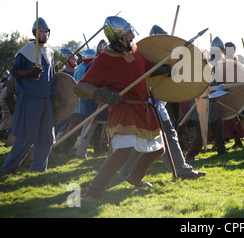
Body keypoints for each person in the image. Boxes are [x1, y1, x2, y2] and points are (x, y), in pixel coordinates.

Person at [72, 16, 165, 199]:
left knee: (158, 149)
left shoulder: (135, 51)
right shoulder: (104, 59)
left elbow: (146, 70)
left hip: (142, 108)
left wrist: (160, 69)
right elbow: (80, 87)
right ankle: (93, 193)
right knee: (123, 152)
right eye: (129, 34)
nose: (133, 36)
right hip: (123, 108)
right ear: (119, 37)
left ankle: (135, 177)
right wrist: (102, 95)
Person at [118, 25, 206, 180]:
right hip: (146, 104)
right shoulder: (138, 56)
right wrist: (156, 71)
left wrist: (168, 70)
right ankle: (182, 171)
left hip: (154, 104)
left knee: (142, 139)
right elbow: (137, 78)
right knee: (166, 135)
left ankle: (124, 172)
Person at [3, 18, 62, 174]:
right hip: (29, 98)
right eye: (41, 31)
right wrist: (30, 72)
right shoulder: (25, 51)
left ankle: (38, 170)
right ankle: (9, 168)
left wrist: (55, 95)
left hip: (46, 100)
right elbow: (15, 72)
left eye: (46, 31)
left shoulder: (50, 52)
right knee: (25, 137)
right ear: (35, 32)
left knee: (47, 137)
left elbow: (52, 77)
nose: (44, 34)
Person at [186, 37, 228, 159]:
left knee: (218, 125)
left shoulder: (213, 63)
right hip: (206, 100)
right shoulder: (211, 63)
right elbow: (210, 79)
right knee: (203, 129)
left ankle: (221, 150)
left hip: (211, 100)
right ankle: (191, 154)